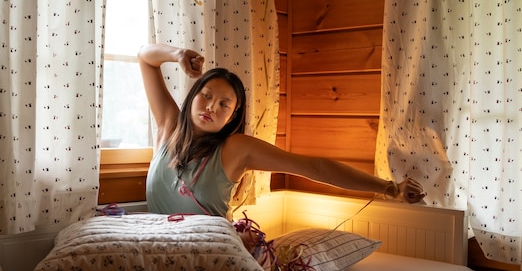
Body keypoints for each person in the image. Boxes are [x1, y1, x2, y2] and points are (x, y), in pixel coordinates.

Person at [138, 43, 425, 219]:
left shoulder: (235, 149)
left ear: (233, 115)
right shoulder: (168, 126)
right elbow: (145, 58)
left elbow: (314, 168)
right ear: (193, 95)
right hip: (158, 250)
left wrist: (389, 188)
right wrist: (178, 54)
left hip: (209, 254)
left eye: (224, 104)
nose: (212, 107)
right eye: (207, 95)